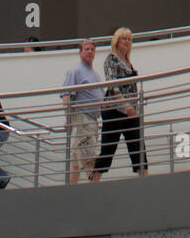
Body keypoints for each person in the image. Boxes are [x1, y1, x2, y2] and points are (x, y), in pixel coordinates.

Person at [93, 28, 147, 179]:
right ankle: (93, 183)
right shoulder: (111, 59)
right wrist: (126, 105)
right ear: (116, 41)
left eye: (129, 39)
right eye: (124, 38)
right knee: (107, 151)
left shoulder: (129, 62)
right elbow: (113, 86)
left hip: (131, 113)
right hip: (114, 110)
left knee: (139, 148)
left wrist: (133, 107)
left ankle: (146, 183)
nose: (127, 42)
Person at [61, 39, 104, 184]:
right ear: (80, 52)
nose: (90, 51)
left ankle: (71, 188)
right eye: (86, 49)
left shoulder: (95, 75)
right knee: (88, 155)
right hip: (83, 118)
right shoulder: (76, 71)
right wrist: (68, 119)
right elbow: (66, 95)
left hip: (92, 120)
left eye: (92, 49)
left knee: (77, 156)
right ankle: (94, 187)